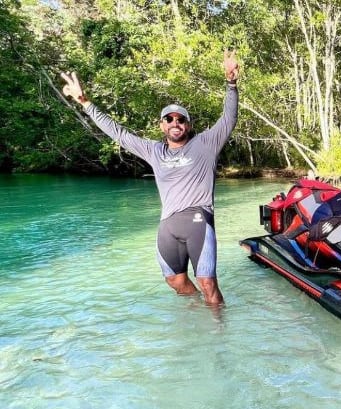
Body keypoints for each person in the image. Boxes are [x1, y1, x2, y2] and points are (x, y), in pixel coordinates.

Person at [60, 51, 240, 306]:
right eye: (169, 119)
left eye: (181, 119)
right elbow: (118, 133)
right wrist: (85, 102)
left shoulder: (205, 144)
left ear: (188, 125)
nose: (175, 122)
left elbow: (228, 119)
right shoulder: (154, 151)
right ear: (162, 125)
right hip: (167, 224)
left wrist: (231, 84)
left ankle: (220, 332)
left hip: (198, 219)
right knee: (175, 282)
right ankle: (201, 316)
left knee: (207, 281)